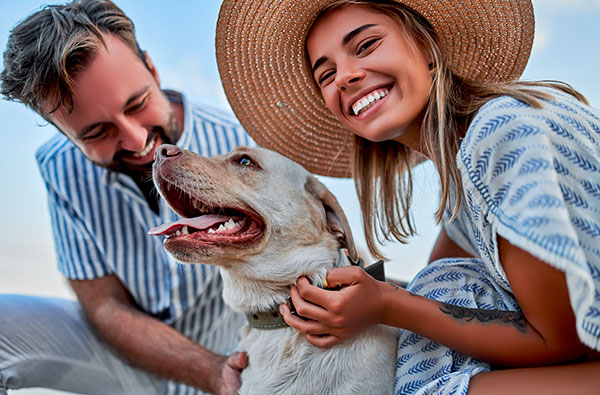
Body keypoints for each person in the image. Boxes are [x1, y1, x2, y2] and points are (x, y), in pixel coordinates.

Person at [215, 0, 600, 393]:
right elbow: (424, 292)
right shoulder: (463, 183)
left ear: (427, 47)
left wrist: (385, 305)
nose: (345, 76)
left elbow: (563, 341)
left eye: (365, 45)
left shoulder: (500, 135)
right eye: (326, 74)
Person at [0, 1, 255, 394]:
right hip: (125, 364)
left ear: (151, 69)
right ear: (63, 133)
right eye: (97, 132)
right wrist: (209, 372)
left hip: (244, 360)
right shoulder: (58, 168)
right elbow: (104, 305)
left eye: (137, 104)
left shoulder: (240, 146)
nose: (138, 142)